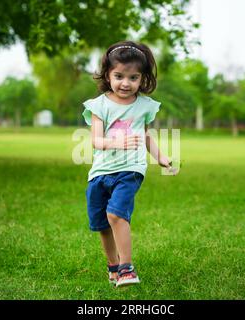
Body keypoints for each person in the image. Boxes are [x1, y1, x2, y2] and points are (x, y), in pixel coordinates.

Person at [82, 40, 178, 287]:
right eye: (119, 76)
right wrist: (117, 142)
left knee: (116, 213)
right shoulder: (99, 105)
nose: (126, 83)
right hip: (100, 172)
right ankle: (113, 266)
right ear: (107, 75)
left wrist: (161, 157)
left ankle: (126, 268)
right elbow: (96, 140)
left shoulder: (144, 105)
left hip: (130, 169)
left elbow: (145, 135)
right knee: (102, 224)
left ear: (143, 78)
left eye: (133, 77)